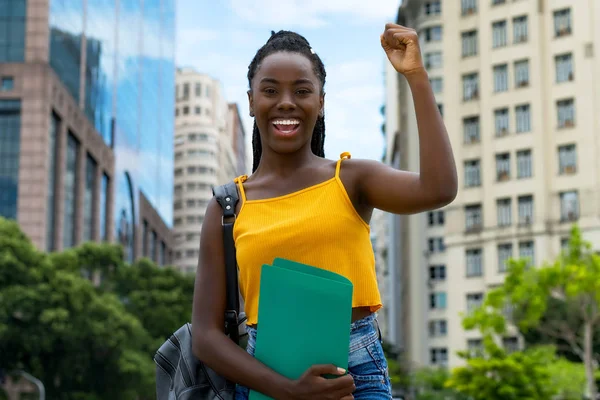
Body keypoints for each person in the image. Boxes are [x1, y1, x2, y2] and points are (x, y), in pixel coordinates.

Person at [192, 23, 458, 400]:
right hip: (266, 379)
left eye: (302, 91)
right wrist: (288, 390)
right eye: (270, 91)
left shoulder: (352, 179)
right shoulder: (226, 207)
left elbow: (439, 188)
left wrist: (415, 76)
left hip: (356, 377)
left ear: (320, 102)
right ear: (251, 101)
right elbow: (204, 336)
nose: (286, 102)